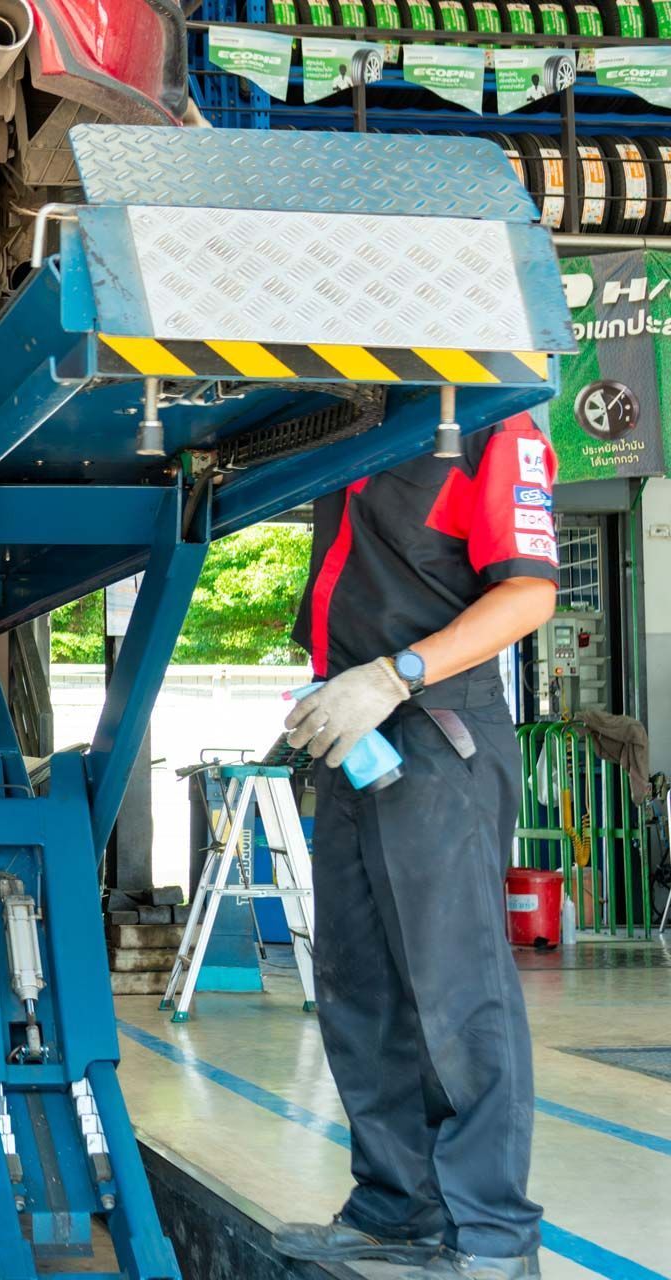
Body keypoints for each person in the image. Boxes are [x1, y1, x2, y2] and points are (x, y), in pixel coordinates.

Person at [272, 412, 559, 1280]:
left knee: (454, 988)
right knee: (361, 986)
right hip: (353, 736)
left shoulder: (492, 425)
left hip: (438, 733)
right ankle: (394, 1209)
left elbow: (529, 592)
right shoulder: (351, 420)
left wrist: (396, 673)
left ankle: (494, 1236)